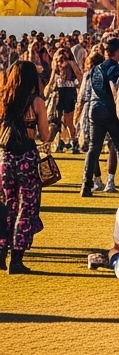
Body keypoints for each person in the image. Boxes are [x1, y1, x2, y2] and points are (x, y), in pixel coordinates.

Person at [1, 61, 50, 273]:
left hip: (5, 157)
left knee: (7, 204)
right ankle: (17, 258)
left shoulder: (3, 99)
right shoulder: (36, 102)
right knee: (27, 205)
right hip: (27, 156)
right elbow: (45, 134)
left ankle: (1, 253)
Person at [81, 38, 119, 197]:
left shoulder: (95, 69)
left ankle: (86, 184)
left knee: (93, 148)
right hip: (109, 110)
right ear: (117, 52)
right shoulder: (114, 68)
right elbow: (114, 87)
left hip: (94, 110)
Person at [47, 46, 81, 152]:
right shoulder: (56, 65)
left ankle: (74, 142)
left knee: (68, 121)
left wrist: (80, 89)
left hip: (69, 92)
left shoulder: (71, 63)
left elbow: (80, 76)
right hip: (59, 93)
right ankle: (60, 142)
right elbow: (51, 80)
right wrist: (47, 91)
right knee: (58, 120)